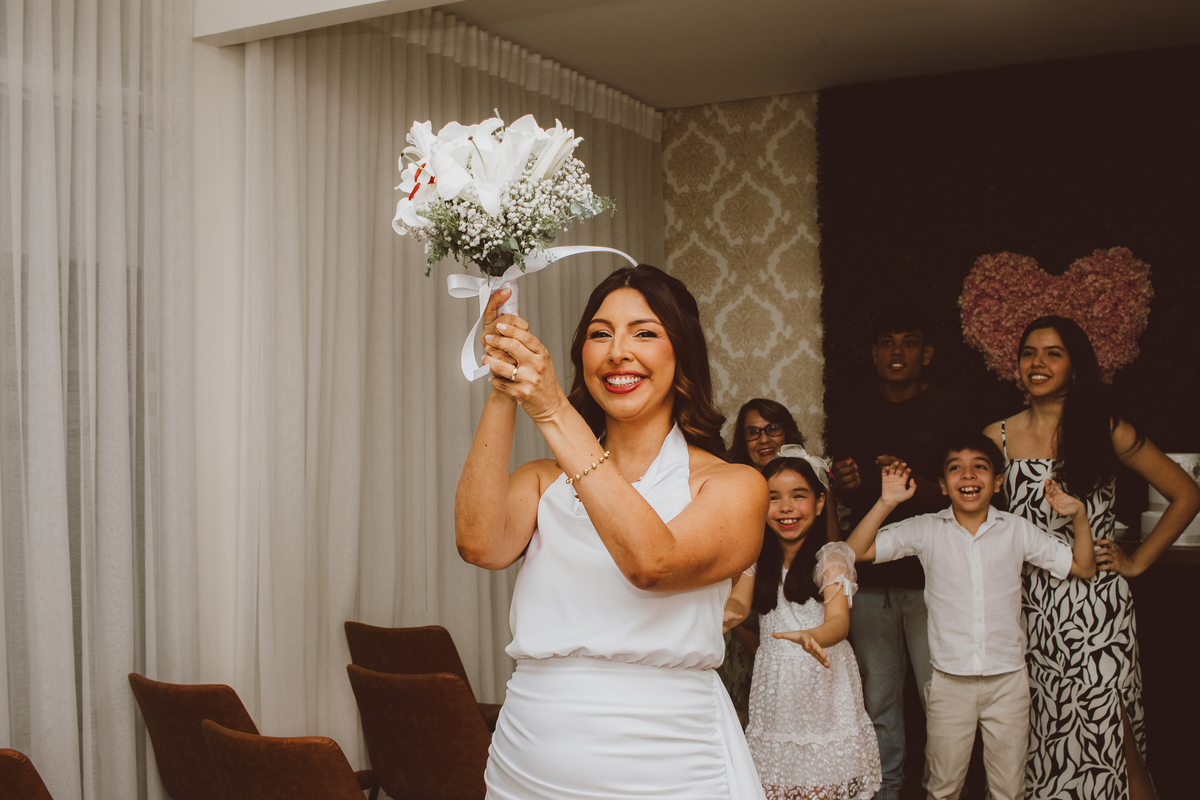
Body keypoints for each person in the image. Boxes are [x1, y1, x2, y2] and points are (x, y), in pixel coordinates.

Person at [456, 265, 770, 799]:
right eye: (601, 334)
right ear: (582, 354)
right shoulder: (541, 481)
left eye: (644, 333)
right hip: (528, 759)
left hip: (667, 767)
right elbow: (479, 544)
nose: (618, 352)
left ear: (682, 353)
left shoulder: (734, 486)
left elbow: (653, 565)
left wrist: (553, 408)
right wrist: (505, 390)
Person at [983, 315, 1200, 800]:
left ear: (1076, 367)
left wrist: (1137, 561)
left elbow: (1186, 493)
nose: (1037, 363)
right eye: (1028, 353)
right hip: (1025, 607)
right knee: (1042, 736)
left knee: (1110, 731)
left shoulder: (1105, 429)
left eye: (1053, 353)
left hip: (1094, 606)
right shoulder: (994, 436)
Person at [846, 436, 1097, 800]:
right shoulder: (926, 528)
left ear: (997, 482)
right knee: (944, 786)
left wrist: (1080, 516)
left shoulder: (1017, 529)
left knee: (1008, 788)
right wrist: (887, 502)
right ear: (944, 485)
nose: (968, 475)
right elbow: (856, 552)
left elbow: (1083, 567)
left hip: (1008, 682)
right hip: (949, 683)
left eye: (980, 466)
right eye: (955, 469)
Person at [826, 311, 972, 800]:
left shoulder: (952, 409)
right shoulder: (852, 408)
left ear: (926, 354)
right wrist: (846, 486)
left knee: (941, 698)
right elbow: (848, 496)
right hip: (870, 577)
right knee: (879, 699)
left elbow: (970, 494)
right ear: (873, 353)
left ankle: (943, 791)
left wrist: (911, 484)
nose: (896, 351)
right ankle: (884, 791)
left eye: (909, 343)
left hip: (936, 580)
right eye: (886, 342)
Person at [724, 448, 881, 800]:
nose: (786, 508)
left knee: (824, 786)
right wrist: (723, 616)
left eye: (799, 496)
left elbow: (839, 622)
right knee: (776, 786)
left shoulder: (831, 559)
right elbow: (739, 600)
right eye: (773, 498)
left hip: (824, 682)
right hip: (776, 689)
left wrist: (813, 636)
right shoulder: (755, 556)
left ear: (820, 502)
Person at [721, 399, 812, 727]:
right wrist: (745, 633)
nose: (764, 439)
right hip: (746, 609)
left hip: (804, 609)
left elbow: (829, 549)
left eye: (772, 429)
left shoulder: (812, 482)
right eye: (753, 433)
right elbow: (728, 561)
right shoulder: (732, 488)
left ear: (787, 432)